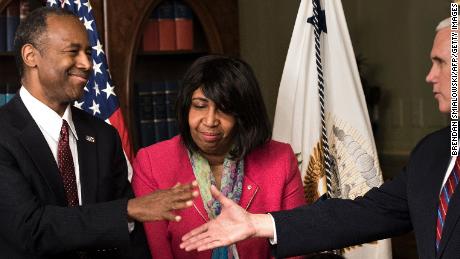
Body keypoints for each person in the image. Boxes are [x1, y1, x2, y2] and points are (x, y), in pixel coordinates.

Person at [180, 18, 460, 259]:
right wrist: (258, 224)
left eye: (440, 63)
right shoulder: (432, 152)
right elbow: (364, 214)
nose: (429, 76)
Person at [0, 7, 198, 258]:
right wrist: (126, 210)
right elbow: (30, 229)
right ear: (31, 56)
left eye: (88, 53)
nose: (86, 64)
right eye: (73, 52)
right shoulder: (4, 135)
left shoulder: (104, 136)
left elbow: (132, 239)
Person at [132, 55, 306, 259]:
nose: (210, 120)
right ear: (186, 107)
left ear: (243, 115)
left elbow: (295, 247)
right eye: (199, 105)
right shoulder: (152, 163)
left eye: (224, 108)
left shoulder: (280, 160)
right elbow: (157, 254)